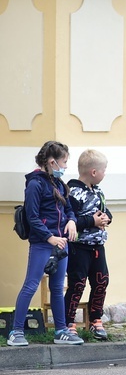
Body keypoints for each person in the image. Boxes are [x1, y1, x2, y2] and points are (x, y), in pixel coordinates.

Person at [7, 141, 83, 347]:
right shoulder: (35, 184)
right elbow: (32, 217)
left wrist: (72, 221)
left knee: (57, 288)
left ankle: (61, 331)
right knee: (31, 285)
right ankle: (16, 332)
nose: (66, 166)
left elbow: (68, 208)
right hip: (43, 244)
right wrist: (50, 238)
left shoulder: (59, 184)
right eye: (64, 162)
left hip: (61, 244)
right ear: (52, 162)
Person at [65, 149, 113, 340]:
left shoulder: (98, 191)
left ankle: (95, 319)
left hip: (97, 247)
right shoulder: (74, 193)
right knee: (77, 284)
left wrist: (107, 218)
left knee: (101, 281)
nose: (105, 174)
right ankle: (68, 322)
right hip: (79, 247)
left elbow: (105, 211)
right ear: (94, 172)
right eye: (104, 170)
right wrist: (92, 222)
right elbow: (71, 220)